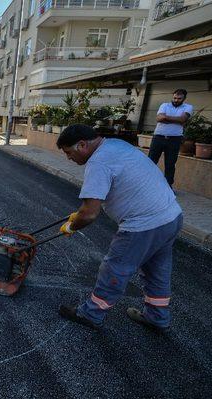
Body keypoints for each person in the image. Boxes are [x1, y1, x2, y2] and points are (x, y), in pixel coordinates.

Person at [56, 125, 183, 333]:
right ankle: (158, 317)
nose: (69, 158)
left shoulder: (98, 162)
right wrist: (77, 215)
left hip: (143, 225)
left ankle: (91, 314)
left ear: (82, 145)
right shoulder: (116, 145)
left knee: (115, 268)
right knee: (157, 270)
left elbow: (89, 213)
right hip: (171, 217)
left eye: (69, 153)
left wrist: (72, 225)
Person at [148, 89, 193, 186]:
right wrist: (177, 120)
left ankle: (168, 187)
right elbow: (159, 118)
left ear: (184, 98)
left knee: (170, 164)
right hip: (158, 137)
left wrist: (166, 118)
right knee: (150, 162)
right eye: (175, 98)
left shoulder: (188, 107)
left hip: (174, 139)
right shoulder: (164, 105)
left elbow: (183, 119)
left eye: (179, 98)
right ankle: (145, 184)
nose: (176, 100)